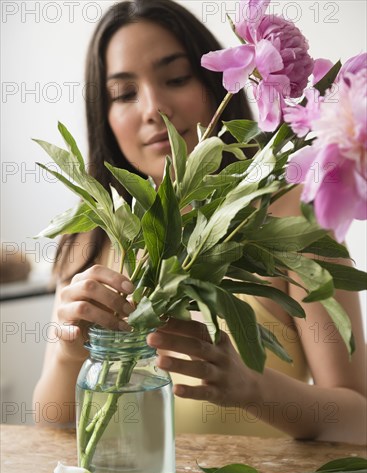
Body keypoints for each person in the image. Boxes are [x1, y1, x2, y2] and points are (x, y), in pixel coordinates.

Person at [33, 0, 366, 444]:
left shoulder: (295, 225)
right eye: (123, 94)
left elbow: (359, 418)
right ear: (104, 117)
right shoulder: (90, 234)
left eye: (175, 78)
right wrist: (68, 354)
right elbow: (53, 424)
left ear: (218, 80)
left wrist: (253, 388)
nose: (154, 108)